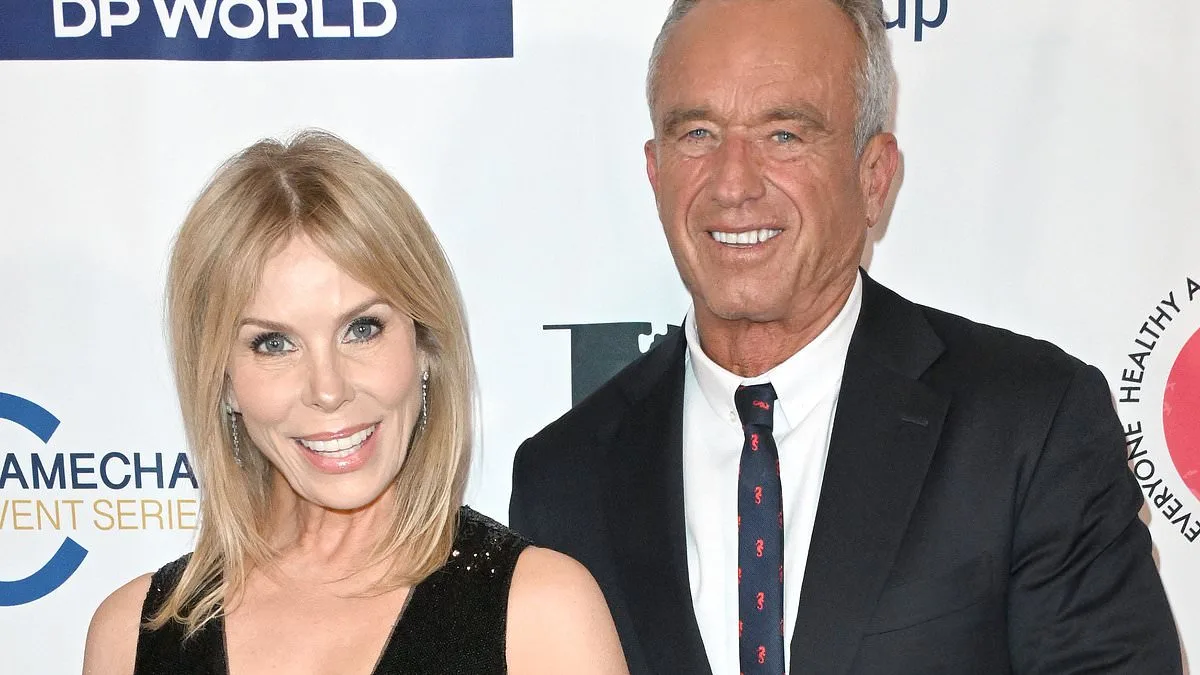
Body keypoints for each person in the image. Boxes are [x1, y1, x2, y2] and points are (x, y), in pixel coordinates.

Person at [509, 1, 1183, 673]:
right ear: (655, 172)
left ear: (874, 177)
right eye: (698, 133)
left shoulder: (1029, 427)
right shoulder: (564, 479)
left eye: (783, 135)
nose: (733, 183)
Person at [81, 130, 628, 675]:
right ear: (222, 381)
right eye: (274, 343)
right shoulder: (129, 638)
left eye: (361, 329)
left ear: (424, 346)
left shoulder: (541, 615)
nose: (328, 389)